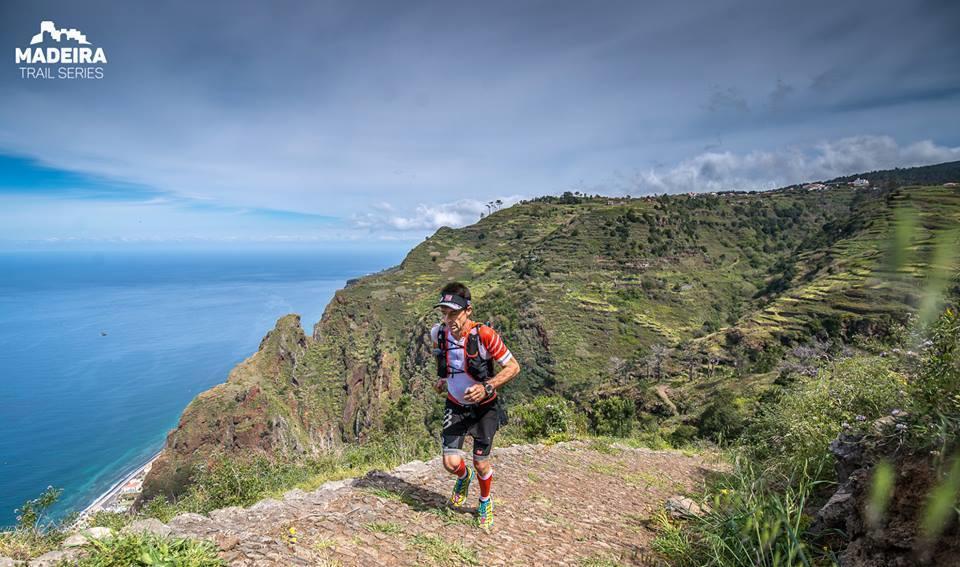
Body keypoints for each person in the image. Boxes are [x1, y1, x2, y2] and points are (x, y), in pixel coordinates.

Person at [431, 281, 520, 530]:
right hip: (456, 403)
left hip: (484, 407)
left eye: (454, 313)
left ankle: (484, 500)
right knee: (450, 463)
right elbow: (449, 361)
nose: (448, 319)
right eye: (444, 313)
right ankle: (463, 477)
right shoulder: (437, 333)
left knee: (481, 463)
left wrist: (486, 387)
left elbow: (513, 367)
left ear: (468, 310)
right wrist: (442, 380)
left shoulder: (485, 335)